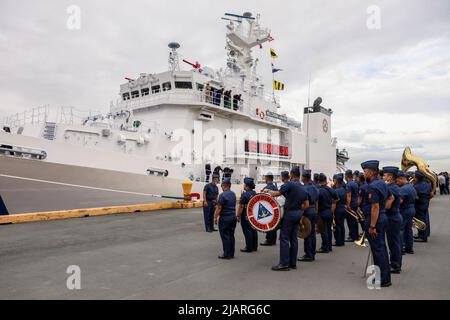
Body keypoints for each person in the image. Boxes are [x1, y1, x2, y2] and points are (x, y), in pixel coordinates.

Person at [266, 166, 309, 271]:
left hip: (290, 214)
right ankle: (292, 263)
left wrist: (268, 191)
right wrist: (299, 211)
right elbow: (306, 204)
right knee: (293, 239)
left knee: (284, 238)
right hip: (298, 213)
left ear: (292, 175)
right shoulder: (303, 187)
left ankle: (284, 264)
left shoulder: (289, 184)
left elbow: (277, 193)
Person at [361, 160, 391, 287]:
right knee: (381, 248)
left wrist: (372, 226)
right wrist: (385, 210)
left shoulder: (372, 186)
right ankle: (384, 277)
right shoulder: (382, 183)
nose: (364, 173)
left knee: (378, 250)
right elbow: (391, 197)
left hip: (375, 220)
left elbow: (375, 207)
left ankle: (383, 279)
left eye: (365, 171)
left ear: (372, 171)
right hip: (382, 217)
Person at [382, 166, 403, 274]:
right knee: (396, 241)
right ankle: (396, 263)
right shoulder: (394, 187)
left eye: (385, 175)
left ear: (390, 177)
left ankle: (395, 265)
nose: (383, 177)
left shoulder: (390, 188)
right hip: (395, 215)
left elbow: (388, 205)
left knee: (393, 243)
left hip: (392, 217)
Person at [214, 178, 237, 259]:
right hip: (233, 217)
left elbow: (219, 207)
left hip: (225, 218)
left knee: (225, 236)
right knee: (231, 235)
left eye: (221, 186)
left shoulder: (222, 195)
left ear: (224, 186)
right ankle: (231, 253)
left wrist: (215, 217)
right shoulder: (233, 194)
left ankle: (226, 254)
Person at [298, 169, 319, 261]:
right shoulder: (314, 187)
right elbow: (317, 200)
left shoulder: (305, 188)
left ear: (303, 178)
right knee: (312, 233)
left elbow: (304, 203)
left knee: (307, 233)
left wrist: (301, 215)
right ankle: (312, 253)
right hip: (314, 210)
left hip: (307, 211)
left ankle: (308, 255)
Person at [396, 170, 417, 254]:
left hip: (404, 210)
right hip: (411, 208)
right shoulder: (411, 186)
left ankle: (400, 249)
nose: (396, 183)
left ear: (401, 179)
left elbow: (399, 202)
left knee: (400, 229)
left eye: (397, 180)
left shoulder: (403, 189)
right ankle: (409, 248)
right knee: (408, 229)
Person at [317, 173, 338, 253]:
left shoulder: (319, 191)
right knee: (329, 230)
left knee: (323, 231)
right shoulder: (330, 189)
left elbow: (317, 202)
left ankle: (324, 247)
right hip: (329, 211)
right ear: (325, 180)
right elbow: (336, 199)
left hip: (322, 212)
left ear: (318, 181)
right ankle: (329, 246)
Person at [238, 177, 258, 253]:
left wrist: (238, 215)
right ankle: (254, 246)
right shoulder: (254, 193)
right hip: (253, 215)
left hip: (245, 215)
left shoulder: (244, 195)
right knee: (253, 230)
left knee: (247, 231)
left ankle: (249, 247)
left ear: (247, 186)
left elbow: (241, 206)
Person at [413, 170, 433, 242]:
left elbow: (414, 197)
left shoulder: (415, 186)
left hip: (418, 205)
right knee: (424, 219)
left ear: (417, 177)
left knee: (420, 221)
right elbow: (431, 195)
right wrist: (427, 200)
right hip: (425, 204)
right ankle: (423, 234)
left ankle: (422, 237)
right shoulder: (428, 184)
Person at [260, 172, 279, 246]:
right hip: (275, 208)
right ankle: (273, 240)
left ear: (267, 178)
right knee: (274, 224)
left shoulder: (266, 188)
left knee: (269, 224)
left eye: (265, 177)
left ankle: (269, 240)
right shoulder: (275, 187)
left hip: (268, 209)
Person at [345, 169, 360, 242]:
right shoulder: (355, 183)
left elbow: (349, 195)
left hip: (351, 204)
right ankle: (355, 235)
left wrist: (348, 205)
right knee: (354, 221)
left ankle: (353, 236)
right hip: (355, 203)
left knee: (351, 221)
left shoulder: (349, 184)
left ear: (346, 176)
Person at [333, 173, 347, 247]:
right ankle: (342, 240)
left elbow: (334, 202)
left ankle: (338, 241)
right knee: (341, 225)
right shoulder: (343, 189)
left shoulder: (336, 191)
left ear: (336, 181)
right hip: (343, 208)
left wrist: (332, 212)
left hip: (338, 209)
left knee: (337, 225)